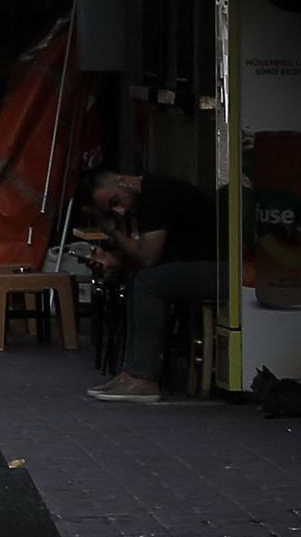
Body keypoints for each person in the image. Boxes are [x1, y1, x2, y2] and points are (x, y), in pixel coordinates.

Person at [79, 165, 226, 402]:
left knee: (147, 282)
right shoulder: (147, 197)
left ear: (122, 180)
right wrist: (113, 260)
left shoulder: (155, 194)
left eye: (117, 201)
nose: (120, 210)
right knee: (139, 279)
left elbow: (148, 256)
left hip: (223, 269)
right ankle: (131, 373)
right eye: (112, 209)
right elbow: (148, 257)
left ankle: (143, 377)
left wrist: (114, 232)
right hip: (198, 266)